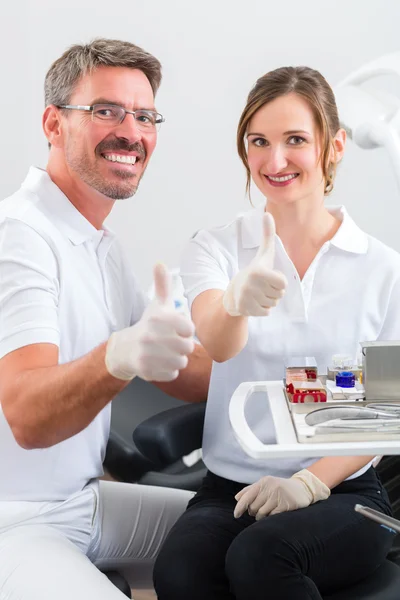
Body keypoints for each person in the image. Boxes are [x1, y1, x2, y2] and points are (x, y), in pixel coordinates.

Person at [153, 66, 400, 600]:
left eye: (295, 140)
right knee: (179, 573)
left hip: (345, 490)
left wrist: (308, 482)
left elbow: (385, 415)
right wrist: (236, 303)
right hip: (229, 488)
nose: (275, 160)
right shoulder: (214, 248)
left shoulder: (383, 269)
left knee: (262, 556)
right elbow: (218, 345)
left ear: (334, 147)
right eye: (258, 141)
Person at [0, 38, 211, 599]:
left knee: (244, 538)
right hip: (14, 523)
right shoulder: (19, 236)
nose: (132, 131)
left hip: (82, 502)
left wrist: (249, 327)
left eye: (145, 116)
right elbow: (27, 418)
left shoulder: (100, 245)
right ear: (53, 123)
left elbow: (186, 375)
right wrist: (119, 356)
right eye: (106, 111)